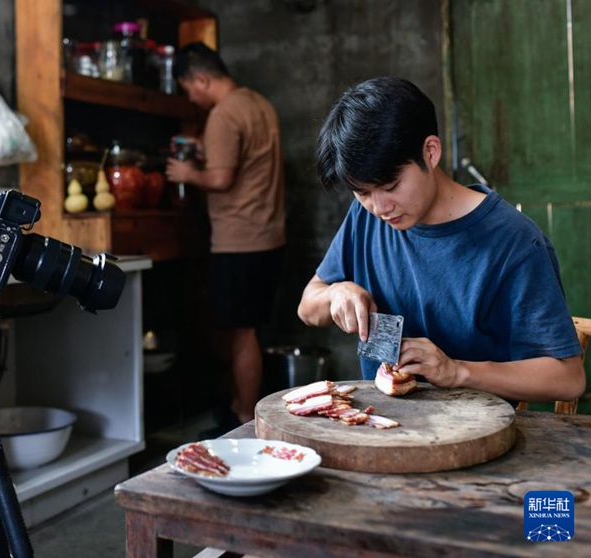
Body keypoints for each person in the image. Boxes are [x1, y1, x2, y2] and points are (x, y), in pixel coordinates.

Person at [297, 76, 586, 404]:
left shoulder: (514, 242)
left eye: (391, 186)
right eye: (362, 192)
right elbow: (308, 307)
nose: (379, 207)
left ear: (430, 152)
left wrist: (457, 372)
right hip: (383, 431)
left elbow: (568, 378)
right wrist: (337, 293)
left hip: (478, 439)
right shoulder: (365, 217)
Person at [165, 42, 286, 429]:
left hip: (239, 240)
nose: (191, 97)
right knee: (250, 328)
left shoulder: (222, 114)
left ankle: (246, 416)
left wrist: (187, 175)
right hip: (269, 236)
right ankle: (241, 402)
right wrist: (205, 147)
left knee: (241, 333)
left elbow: (221, 178)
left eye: (188, 89)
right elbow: (245, 156)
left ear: (201, 79)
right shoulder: (258, 104)